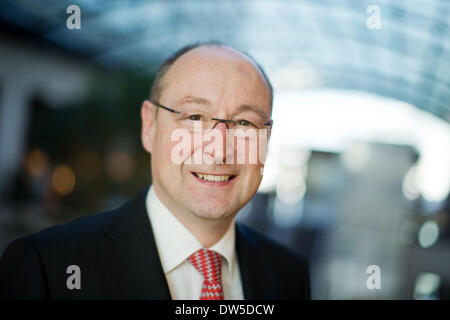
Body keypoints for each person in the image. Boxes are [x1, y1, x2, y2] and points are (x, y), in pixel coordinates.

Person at [0, 42, 310, 300]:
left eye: (245, 123)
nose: (218, 149)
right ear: (150, 126)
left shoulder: (288, 275)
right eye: (195, 117)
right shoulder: (49, 267)